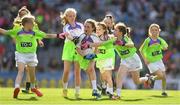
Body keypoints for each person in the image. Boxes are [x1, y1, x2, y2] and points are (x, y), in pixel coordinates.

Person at [0, 15, 67, 98]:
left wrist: (57, 35)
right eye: (32, 22)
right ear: (26, 24)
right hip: (21, 54)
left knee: (32, 74)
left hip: (31, 55)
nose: (33, 24)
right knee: (21, 71)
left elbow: (46, 35)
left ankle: (33, 88)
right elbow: (6, 32)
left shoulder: (34, 32)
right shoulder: (17, 31)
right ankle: (17, 87)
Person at [13, 6, 44, 93]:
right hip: (21, 50)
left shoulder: (34, 24)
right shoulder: (16, 26)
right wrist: (18, 43)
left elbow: (37, 34)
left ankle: (29, 87)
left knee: (29, 69)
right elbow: (13, 36)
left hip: (31, 50)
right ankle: (32, 86)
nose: (23, 16)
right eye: (21, 15)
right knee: (26, 69)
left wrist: (40, 41)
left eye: (24, 14)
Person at [60, 8, 84, 99]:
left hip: (78, 47)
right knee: (66, 71)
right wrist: (75, 40)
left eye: (73, 16)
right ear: (66, 17)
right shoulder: (66, 26)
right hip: (68, 47)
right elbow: (68, 35)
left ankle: (77, 92)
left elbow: (83, 35)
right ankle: (65, 89)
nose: (72, 17)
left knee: (77, 72)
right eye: (70, 16)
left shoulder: (81, 25)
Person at [139, 23, 168, 96]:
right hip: (151, 62)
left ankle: (163, 91)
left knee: (164, 77)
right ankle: (151, 78)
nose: (154, 32)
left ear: (158, 31)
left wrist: (165, 47)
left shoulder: (160, 40)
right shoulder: (148, 40)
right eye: (152, 30)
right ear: (150, 31)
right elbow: (141, 50)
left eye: (156, 30)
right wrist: (145, 59)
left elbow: (165, 46)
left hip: (159, 60)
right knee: (161, 75)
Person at [75, 19, 101, 100]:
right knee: (89, 73)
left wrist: (93, 55)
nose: (86, 28)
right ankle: (95, 88)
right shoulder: (81, 36)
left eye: (88, 27)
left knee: (91, 69)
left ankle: (94, 90)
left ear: (93, 28)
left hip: (91, 57)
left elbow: (97, 48)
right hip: (82, 58)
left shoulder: (95, 37)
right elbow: (77, 48)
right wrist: (83, 55)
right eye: (85, 26)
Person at [95, 22, 116, 99]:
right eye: (97, 29)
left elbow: (114, 39)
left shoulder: (108, 37)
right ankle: (104, 88)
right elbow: (95, 50)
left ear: (104, 30)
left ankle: (110, 93)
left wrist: (102, 43)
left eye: (99, 29)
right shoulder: (95, 38)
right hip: (100, 59)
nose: (97, 31)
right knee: (103, 77)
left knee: (108, 76)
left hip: (108, 58)